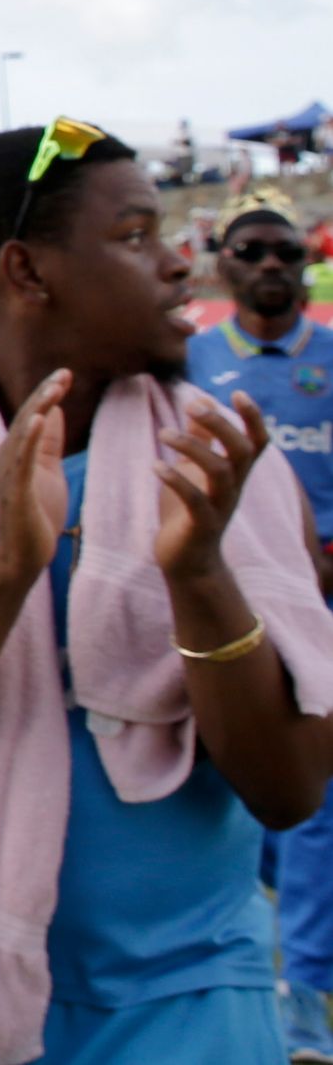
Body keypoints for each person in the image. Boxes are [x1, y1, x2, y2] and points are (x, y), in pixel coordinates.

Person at [0, 124, 333, 1064]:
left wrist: (198, 574)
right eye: (132, 236)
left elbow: (287, 787)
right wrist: (4, 572)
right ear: (26, 272)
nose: (176, 265)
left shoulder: (219, 466)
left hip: (188, 995)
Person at [185, 204, 333, 1059]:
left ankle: (302, 993)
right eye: (252, 249)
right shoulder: (191, 361)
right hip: (222, 608)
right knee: (254, 801)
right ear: (223, 265)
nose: (271, 262)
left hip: (319, 610)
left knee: (313, 806)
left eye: (288, 250)